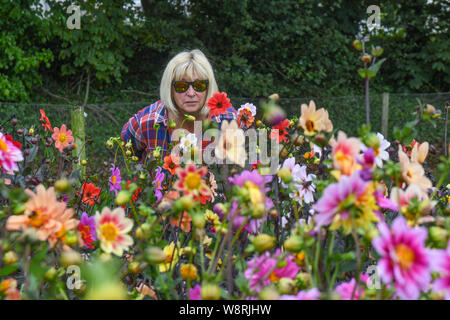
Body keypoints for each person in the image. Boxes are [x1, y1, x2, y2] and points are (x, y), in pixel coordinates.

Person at [121, 49, 237, 163]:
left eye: (199, 85)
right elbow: (125, 150)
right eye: (181, 86)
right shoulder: (148, 121)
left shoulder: (228, 119)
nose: (191, 93)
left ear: (208, 88)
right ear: (169, 89)